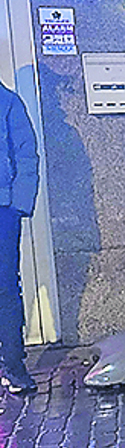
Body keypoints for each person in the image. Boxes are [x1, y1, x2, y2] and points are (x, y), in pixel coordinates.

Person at [0, 79, 37, 394]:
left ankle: (13, 366)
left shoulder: (7, 102)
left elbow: (27, 156)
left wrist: (17, 206)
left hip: (2, 211)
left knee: (5, 290)